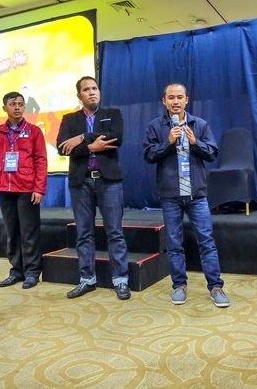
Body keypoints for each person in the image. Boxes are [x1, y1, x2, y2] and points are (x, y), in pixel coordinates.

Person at [143, 83, 230, 308]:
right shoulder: (156, 126)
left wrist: (195, 142)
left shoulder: (199, 124)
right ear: (164, 101)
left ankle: (216, 287)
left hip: (196, 193)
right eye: (171, 97)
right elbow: (149, 155)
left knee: (207, 241)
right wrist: (168, 142)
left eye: (179, 97)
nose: (175, 101)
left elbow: (212, 153)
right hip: (170, 194)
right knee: (174, 243)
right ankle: (179, 286)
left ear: (187, 99)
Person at [56, 76, 131, 300]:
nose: (92, 92)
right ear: (79, 95)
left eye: (95, 88)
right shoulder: (69, 119)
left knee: (115, 232)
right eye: (87, 89)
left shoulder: (112, 114)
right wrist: (91, 148)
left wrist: (83, 137)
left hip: (109, 181)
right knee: (83, 233)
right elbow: (62, 147)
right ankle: (87, 279)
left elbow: (116, 138)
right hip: (81, 182)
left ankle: (121, 280)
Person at [0, 92, 47, 289]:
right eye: (12, 104)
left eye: (20, 104)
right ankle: (16, 271)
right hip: (4, 188)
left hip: (27, 188)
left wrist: (39, 188)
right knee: (12, 232)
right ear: (4, 108)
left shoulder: (34, 131)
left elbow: (41, 161)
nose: (17, 107)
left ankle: (32, 272)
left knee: (29, 232)